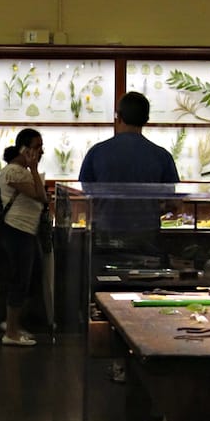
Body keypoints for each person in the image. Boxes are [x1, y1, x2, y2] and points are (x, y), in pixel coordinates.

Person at [78, 92, 178, 380]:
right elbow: (173, 202)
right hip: (146, 238)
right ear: (147, 120)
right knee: (144, 297)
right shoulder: (161, 155)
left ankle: (118, 361)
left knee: (110, 299)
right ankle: (145, 358)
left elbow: (87, 194)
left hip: (106, 236)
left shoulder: (98, 152)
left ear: (117, 116)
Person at [0, 129, 47, 347]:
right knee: (19, 280)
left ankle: (13, 324)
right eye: (37, 147)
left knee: (29, 279)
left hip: (27, 231)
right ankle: (10, 332)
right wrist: (35, 170)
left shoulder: (21, 171)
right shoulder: (14, 172)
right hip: (17, 231)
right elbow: (40, 196)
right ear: (24, 149)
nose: (41, 151)